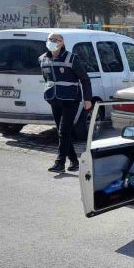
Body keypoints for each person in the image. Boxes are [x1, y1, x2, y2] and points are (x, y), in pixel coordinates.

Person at [39, 33, 92, 173]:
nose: (51, 41)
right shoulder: (42, 58)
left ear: (62, 43)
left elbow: (85, 79)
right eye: (49, 39)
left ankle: (60, 163)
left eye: (55, 40)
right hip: (54, 99)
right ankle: (74, 162)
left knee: (63, 131)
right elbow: (47, 79)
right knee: (63, 132)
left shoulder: (72, 58)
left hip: (71, 100)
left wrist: (87, 99)